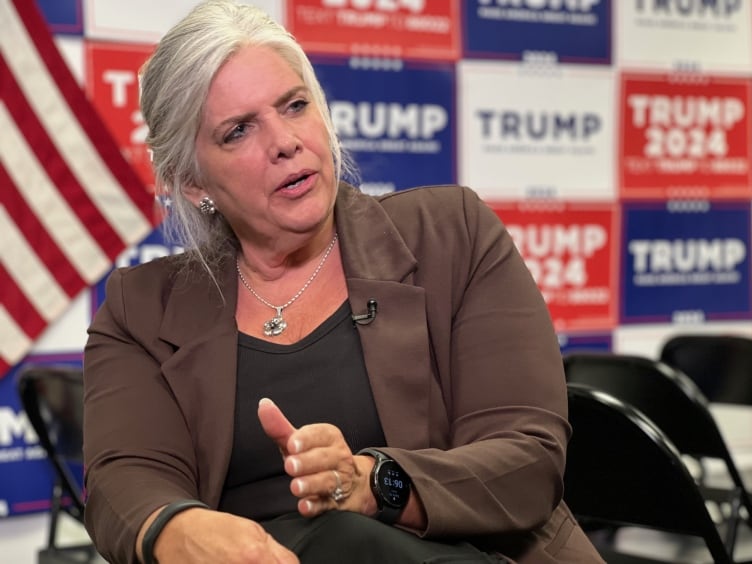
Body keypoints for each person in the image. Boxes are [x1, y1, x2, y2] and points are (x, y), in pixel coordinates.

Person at [82, 1, 604, 563]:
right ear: (191, 181)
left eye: (295, 105)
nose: (284, 140)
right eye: (238, 131)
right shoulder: (139, 309)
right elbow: (125, 480)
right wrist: (180, 531)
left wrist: (372, 482)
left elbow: (527, 460)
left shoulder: (452, 234)